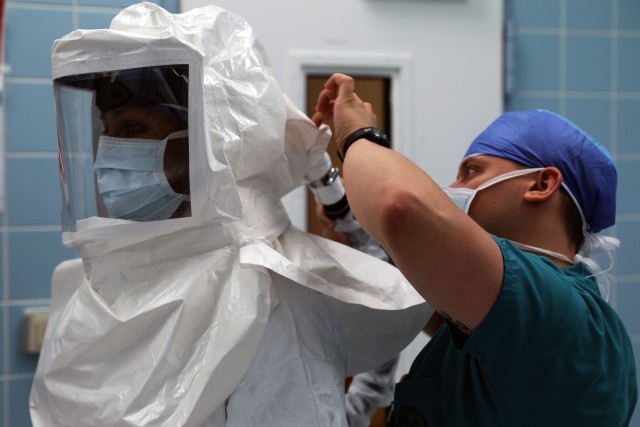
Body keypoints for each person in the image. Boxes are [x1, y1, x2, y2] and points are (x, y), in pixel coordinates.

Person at [30, 5, 432, 427]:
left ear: (210, 142)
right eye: (106, 130)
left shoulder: (266, 300)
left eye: (131, 128)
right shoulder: (98, 282)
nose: (105, 157)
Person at [312, 73, 637, 426]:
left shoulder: (556, 312)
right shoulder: (511, 321)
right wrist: (355, 228)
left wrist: (356, 136)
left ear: (542, 184)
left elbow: (400, 205)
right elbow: (435, 295)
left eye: (471, 171)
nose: (454, 187)